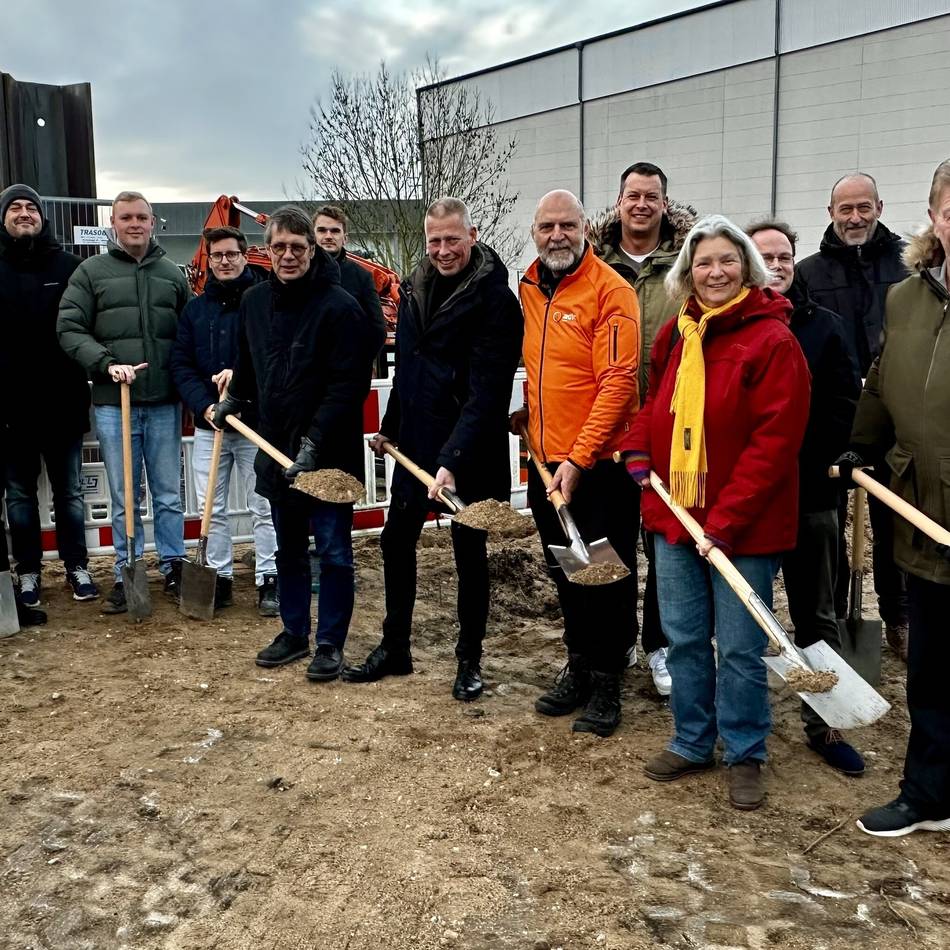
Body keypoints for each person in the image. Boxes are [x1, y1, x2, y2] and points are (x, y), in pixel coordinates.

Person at [623, 214, 809, 809]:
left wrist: (725, 523)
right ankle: (692, 738)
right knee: (682, 638)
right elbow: (660, 405)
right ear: (688, 273)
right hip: (678, 514)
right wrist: (636, 445)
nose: (715, 271)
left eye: (727, 260)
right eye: (703, 262)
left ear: (747, 268)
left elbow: (774, 443)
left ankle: (746, 749)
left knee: (739, 646)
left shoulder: (773, 340)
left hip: (743, 527)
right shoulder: (681, 334)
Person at [342, 197, 522, 700]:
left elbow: (487, 391)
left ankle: (470, 660)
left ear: (473, 234)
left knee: (469, 553)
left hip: (472, 450)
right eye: (434, 241)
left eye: (452, 240)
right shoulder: (414, 286)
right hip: (418, 444)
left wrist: (452, 459)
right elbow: (411, 369)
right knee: (396, 541)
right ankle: (395, 647)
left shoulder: (496, 300)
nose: (443, 251)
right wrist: (391, 427)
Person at [837, 159, 950, 837]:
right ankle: (929, 794)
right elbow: (882, 383)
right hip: (923, 511)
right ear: (935, 217)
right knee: (933, 670)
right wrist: (861, 445)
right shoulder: (907, 299)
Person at [213, 205, 369, 681]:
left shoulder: (340, 306)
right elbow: (247, 361)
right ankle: (294, 632)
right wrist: (234, 399)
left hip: (328, 454)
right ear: (268, 248)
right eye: (278, 247)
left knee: (335, 552)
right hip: (277, 449)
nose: (287, 256)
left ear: (312, 248)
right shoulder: (255, 303)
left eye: (296, 248)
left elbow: (349, 386)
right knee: (288, 550)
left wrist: (315, 442)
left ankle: (329, 644)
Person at [514, 189, 640, 737]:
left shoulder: (610, 291)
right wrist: (529, 417)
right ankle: (580, 664)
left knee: (605, 574)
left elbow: (617, 384)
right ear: (535, 233)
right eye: (547, 227)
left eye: (567, 225)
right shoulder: (529, 286)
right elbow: (547, 371)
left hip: (599, 466)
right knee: (568, 568)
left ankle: (609, 679)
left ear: (585, 227)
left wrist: (579, 456)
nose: (557, 235)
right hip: (547, 463)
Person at [748, 220, 864, 776]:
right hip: (749, 500)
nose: (777, 263)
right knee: (748, 616)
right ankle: (748, 724)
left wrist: (818, 455)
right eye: (765, 255)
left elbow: (845, 401)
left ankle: (827, 723)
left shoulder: (826, 328)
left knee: (818, 612)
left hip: (811, 493)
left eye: (785, 255)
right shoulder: (729, 329)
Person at [58, 191, 190, 613]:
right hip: (116, 403)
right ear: (113, 224)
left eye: (142, 217)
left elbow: (186, 336)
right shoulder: (90, 272)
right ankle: (125, 570)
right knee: (124, 496)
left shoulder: (172, 274)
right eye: (126, 217)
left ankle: (173, 565)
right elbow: (69, 327)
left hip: (164, 401)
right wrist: (106, 363)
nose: (134, 224)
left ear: (153, 223)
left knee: (169, 492)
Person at [592, 161, 697, 695]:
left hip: (667, 426)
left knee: (663, 544)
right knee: (611, 540)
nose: (640, 205)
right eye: (631, 195)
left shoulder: (685, 265)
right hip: (608, 430)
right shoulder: (593, 263)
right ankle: (619, 638)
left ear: (663, 203)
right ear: (618, 200)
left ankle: (660, 644)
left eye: (650, 197)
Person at [797, 173, 909, 658]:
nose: (855, 217)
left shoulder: (906, 266)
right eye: (846, 209)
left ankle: (897, 616)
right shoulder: (810, 273)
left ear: (880, 207)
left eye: (864, 208)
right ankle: (835, 615)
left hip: (896, 418)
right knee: (830, 523)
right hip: (836, 422)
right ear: (831, 213)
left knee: (894, 524)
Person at [170, 226, 278, 616]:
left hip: (254, 425)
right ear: (209, 260)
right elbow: (181, 364)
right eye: (217, 256)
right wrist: (205, 407)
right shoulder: (195, 310)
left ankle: (269, 578)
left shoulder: (263, 302)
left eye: (232, 254)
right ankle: (220, 576)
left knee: (263, 506)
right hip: (210, 426)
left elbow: (273, 357)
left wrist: (239, 385)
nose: (225, 261)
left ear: (245, 256)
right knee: (209, 509)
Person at [0, 184, 97, 606]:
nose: (24, 213)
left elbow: (88, 327)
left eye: (31, 208)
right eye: (15, 208)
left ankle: (77, 567)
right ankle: (29, 574)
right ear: (3, 218)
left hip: (63, 403)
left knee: (70, 494)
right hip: (9, 408)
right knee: (20, 497)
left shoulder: (72, 267)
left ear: (43, 217)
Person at [312, 205, 387, 371]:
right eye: (322, 230)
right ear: (312, 236)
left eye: (335, 231)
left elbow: (377, 329)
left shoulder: (362, 277)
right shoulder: (299, 274)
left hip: (346, 376)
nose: (328, 236)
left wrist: (358, 365)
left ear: (345, 238)